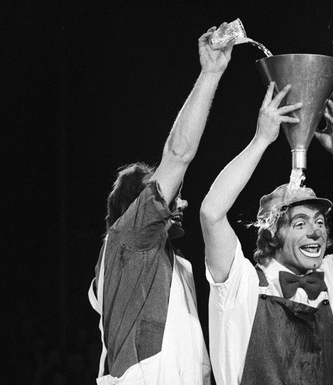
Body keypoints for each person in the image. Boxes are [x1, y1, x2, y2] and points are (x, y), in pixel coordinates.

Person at [200, 83, 333, 385]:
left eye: (320, 222)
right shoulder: (239, 283)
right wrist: (261, 140)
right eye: (301, 223)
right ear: (273, 232)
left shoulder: (331, 277)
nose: (316, 231)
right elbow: (211, 213)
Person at [87, 24, 234, 385]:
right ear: (137, 207)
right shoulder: (130, 239)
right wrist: (210, 73)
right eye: (168, 195)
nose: (177, 201)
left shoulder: (176, 266)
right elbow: (179, 154)